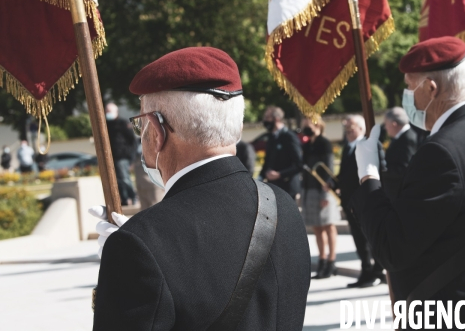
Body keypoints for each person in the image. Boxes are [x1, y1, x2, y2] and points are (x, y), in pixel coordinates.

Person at [90, 47, 310, 330]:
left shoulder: (140, 244)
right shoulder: (283, 206)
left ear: (157, 131)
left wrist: (126, 266)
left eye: (140, 125)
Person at [352, 37, 465, 328]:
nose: (407, 96)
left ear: (430, 89)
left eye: (410, 87)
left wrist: (368, 175)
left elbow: (392, 249)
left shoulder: (441, 152)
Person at [331, 114, 386, 288]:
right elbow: (345, 174)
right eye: (346, 128)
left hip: (365, 201)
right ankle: (366, 270)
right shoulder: (348, 147)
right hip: (350, 201)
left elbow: (379, 171)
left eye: (351, 128)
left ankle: (377, 271)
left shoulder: (369, 145)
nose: (347, 131)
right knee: (359, 240)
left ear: (361, 128)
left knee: (370, 238)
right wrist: (333, 183)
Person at [300, 116, 340, 279]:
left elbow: (328, 167)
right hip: (309, 189)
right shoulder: (307, 145)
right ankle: (322, 260)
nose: (304, 126)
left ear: (316, 123)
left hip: (323, 189)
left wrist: (325, 193)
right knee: (316, 227)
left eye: (307, 123)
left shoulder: (325, 142)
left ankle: (332, 261)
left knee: (328, 225)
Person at [259, 106, 302, 198]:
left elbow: (299, 164)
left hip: (288, 188)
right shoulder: (271, 137)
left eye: (267, 117)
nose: (265, 121)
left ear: (277, 119)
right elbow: (268, 161)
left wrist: (280, 174)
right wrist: (260, 177)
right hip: (274, 188)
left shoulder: (289, 137)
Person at [381, 107, 418, 200]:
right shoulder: (402, 137)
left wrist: (382, 171)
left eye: (386, 124)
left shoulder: (407, 138)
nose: (385, 128)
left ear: (394, 124)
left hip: (402, 193)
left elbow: (404, 168)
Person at [105, 103, 137, 206]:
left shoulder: (123, 123)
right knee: (116, 181)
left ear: (116, 112)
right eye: (106, 111)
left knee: (124, 179)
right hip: (111, 157)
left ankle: (132, 197)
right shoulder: (106, 124)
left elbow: (132, 141)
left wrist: (131, 157)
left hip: (122, 157)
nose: (107, 113)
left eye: (109, 111)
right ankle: (123, 200)